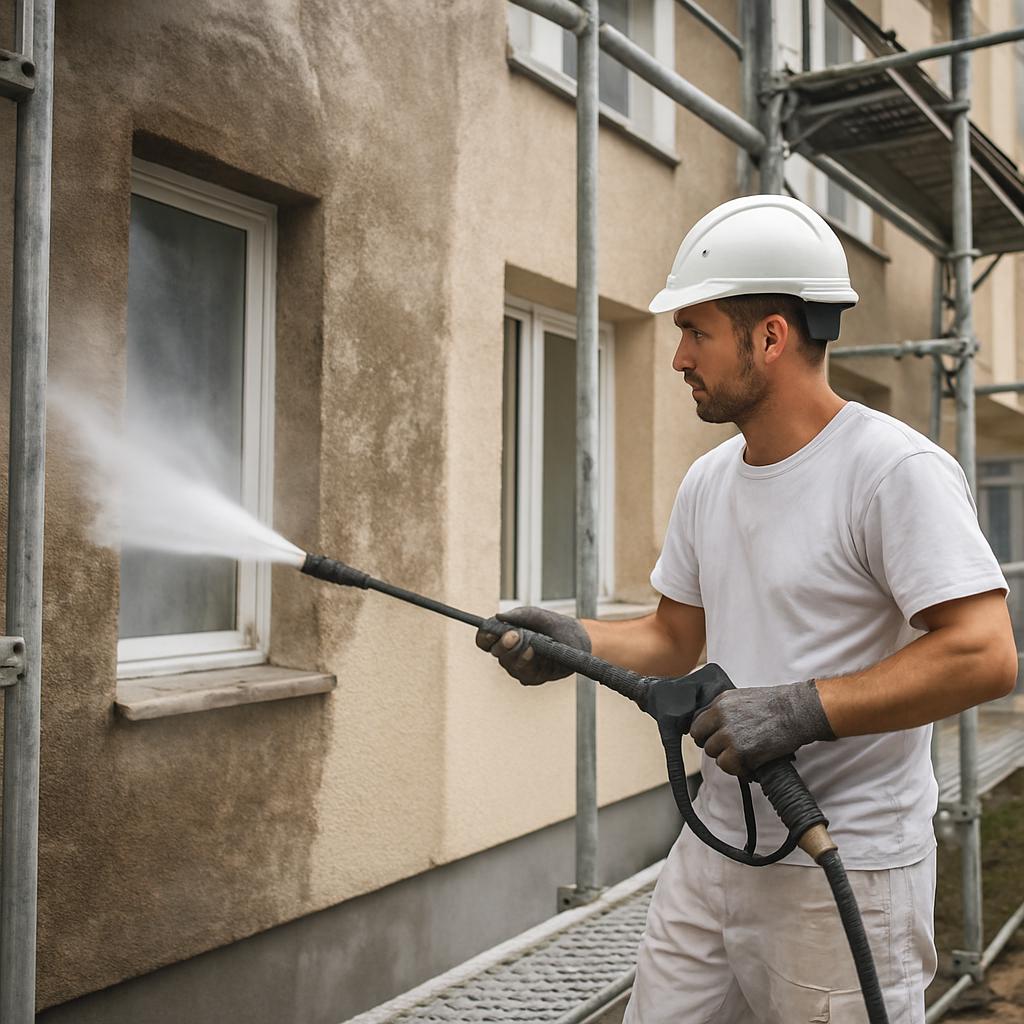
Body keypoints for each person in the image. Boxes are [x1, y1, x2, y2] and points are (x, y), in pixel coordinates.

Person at [476, 195, 1017, 1023]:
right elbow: (673, 635)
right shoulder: (711, 480)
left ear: (770, 335)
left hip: (845, 861)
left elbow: (984, 653)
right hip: (715, 842)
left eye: (695, 331)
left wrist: (804, 709)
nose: (677, 357)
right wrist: (573, 642)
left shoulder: (890, 470)